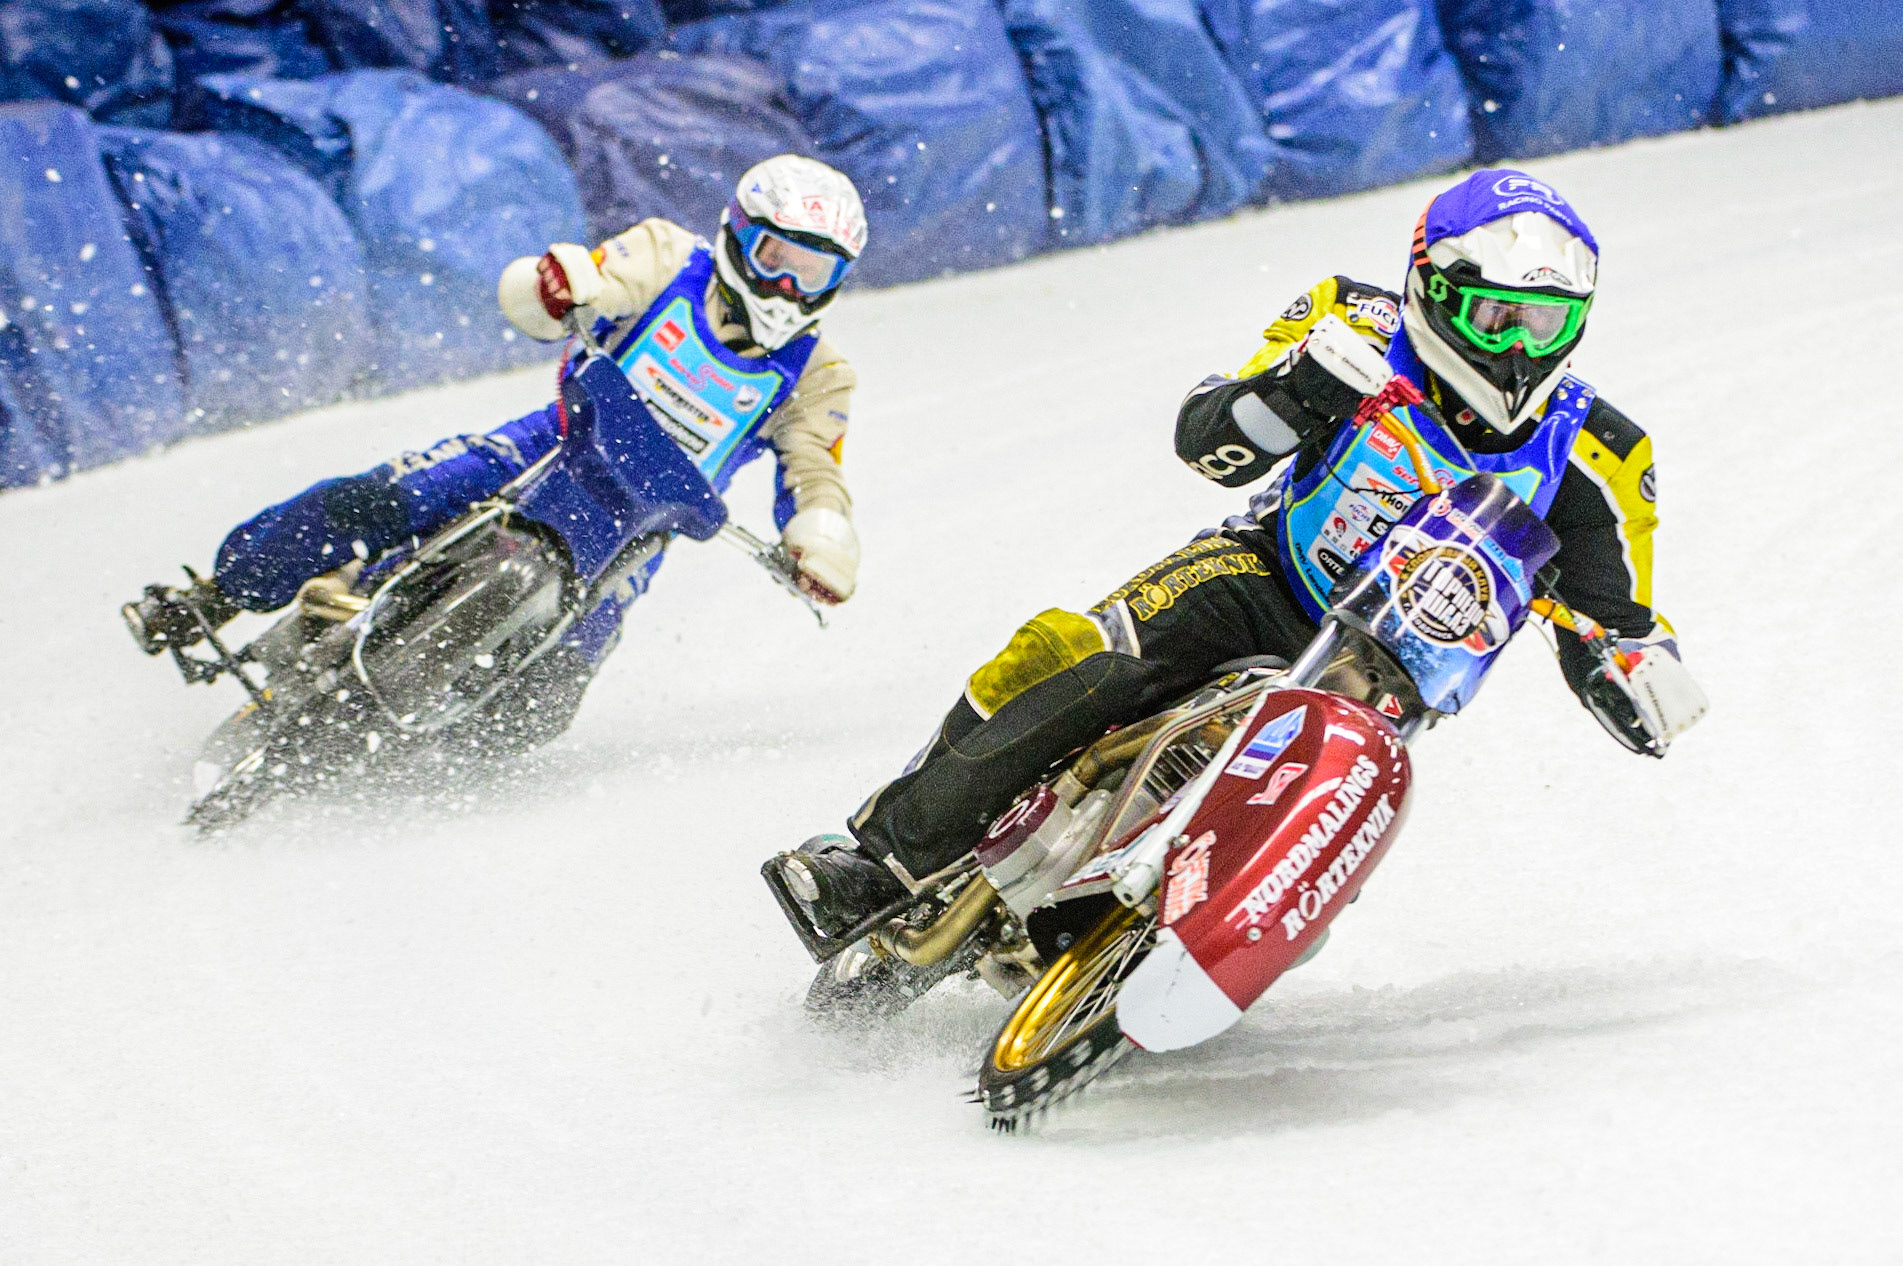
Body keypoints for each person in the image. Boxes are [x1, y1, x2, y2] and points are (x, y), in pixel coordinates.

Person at [771, 167, 1708, 942]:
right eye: (1490, 316)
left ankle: (1225, 928)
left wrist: (1638, 675)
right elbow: (1204, 439)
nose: (1511, 349)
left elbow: (1611, 616)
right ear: (1432, 290)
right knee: (1072, 653)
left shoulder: (1603, 454)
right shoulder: (1349, 320)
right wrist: (1296, 393)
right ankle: (877, 861)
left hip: (1395, 675)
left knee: (1348, 812)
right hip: (1262, 576)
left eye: (1539, 324)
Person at [125, 154, 869, 745]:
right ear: (737, 234)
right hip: (552, 446)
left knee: (548, 703)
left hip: (639, 531)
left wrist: (819, 537)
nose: (784, 287)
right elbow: (594, 282)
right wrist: (563, 287)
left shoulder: (819, 373)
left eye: (813, 274)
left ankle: (426, 757)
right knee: (384, 499)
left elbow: (816, 473)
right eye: (776, 257)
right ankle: (220, 594)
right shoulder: (670, 259)